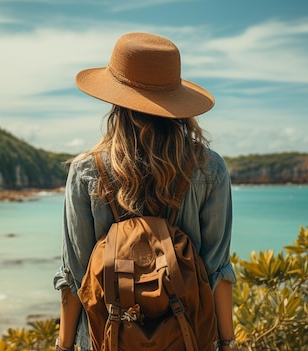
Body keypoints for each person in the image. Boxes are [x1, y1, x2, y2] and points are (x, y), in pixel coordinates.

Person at [53, 32, 237, 351]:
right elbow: (216, 271)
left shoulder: (86, 170)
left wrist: (64, 346)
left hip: (105, 340)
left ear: (115, 101)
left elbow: (75, 277)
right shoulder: (210, 168)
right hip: (186, 339)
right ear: (178, 102)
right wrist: (227, 344)